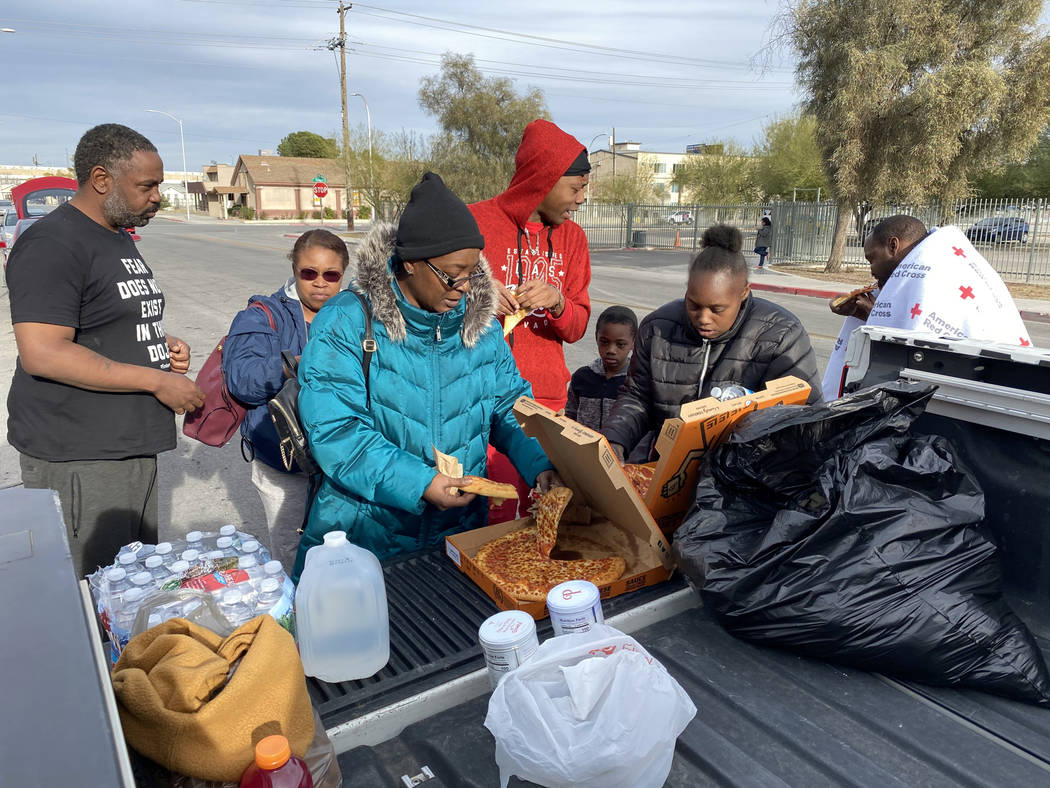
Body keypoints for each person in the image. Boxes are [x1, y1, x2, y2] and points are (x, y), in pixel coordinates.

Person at [291, 172, 560, 580]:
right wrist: (420, 483)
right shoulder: (347, 322)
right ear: (411, 263)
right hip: (364, 538)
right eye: (454, 275)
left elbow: (508, 406)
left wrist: (542, 463)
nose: (466, 288)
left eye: (472, 273)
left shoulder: (481, 326)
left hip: (460, 535)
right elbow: (337, 432)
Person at [6, 123, 205, 578]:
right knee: (96, 590)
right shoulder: (53, 243)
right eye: (147, 186)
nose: (157, 196)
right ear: (101, 180)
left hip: (126, 449)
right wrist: (157, 379)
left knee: (134, 588)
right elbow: (44, 351)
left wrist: (160, 342)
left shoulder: (114, 236)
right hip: (82, 457)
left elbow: (104, 319)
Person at [602, 224, 823, 460]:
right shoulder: (656, 328)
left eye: (717, 309)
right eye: (693, 305)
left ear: (744, 292)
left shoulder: (781, 335)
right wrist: (615, 441)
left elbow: (803, 419)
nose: (703, 319)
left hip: (742, 479)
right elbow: (637, 397)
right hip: (664, 468)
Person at [469, 118, 593, 520]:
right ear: (544, 178)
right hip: (487, 400)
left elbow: (576, 329)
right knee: (495, 518)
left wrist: (558, 302)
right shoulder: (475, 222)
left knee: (546, 517)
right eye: (576, 187)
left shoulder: (574, 239)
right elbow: (435, 302)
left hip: (550, 398)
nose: (581, 199)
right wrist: (481, 298)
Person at [222, 229, 349, 572]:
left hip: (340, 465)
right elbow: (242, 381)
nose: (320, 283)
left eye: (331, 275)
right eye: (309, 273)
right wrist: (298, 363)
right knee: (295, 558)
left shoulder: (353, 314)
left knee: (342, 551)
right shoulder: (263, 315)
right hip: (285, 467)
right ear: (294, 269)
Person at [820, 214, 1032, 400]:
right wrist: (862, 312)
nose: (871, 270)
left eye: (872, 259)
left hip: (985, 388)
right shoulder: (933, 262)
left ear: (893, 246)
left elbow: (920, 341)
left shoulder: (932, 273)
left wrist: (872, 314)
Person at [565, 305, 637, 432]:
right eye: (604, 342)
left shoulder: (636, 381)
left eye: (620, 344)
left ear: (633, 343)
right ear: (596, 337)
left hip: (619, 451)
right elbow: (570, 417)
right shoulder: (582, 377)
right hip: (582, 450)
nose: (611, 350)